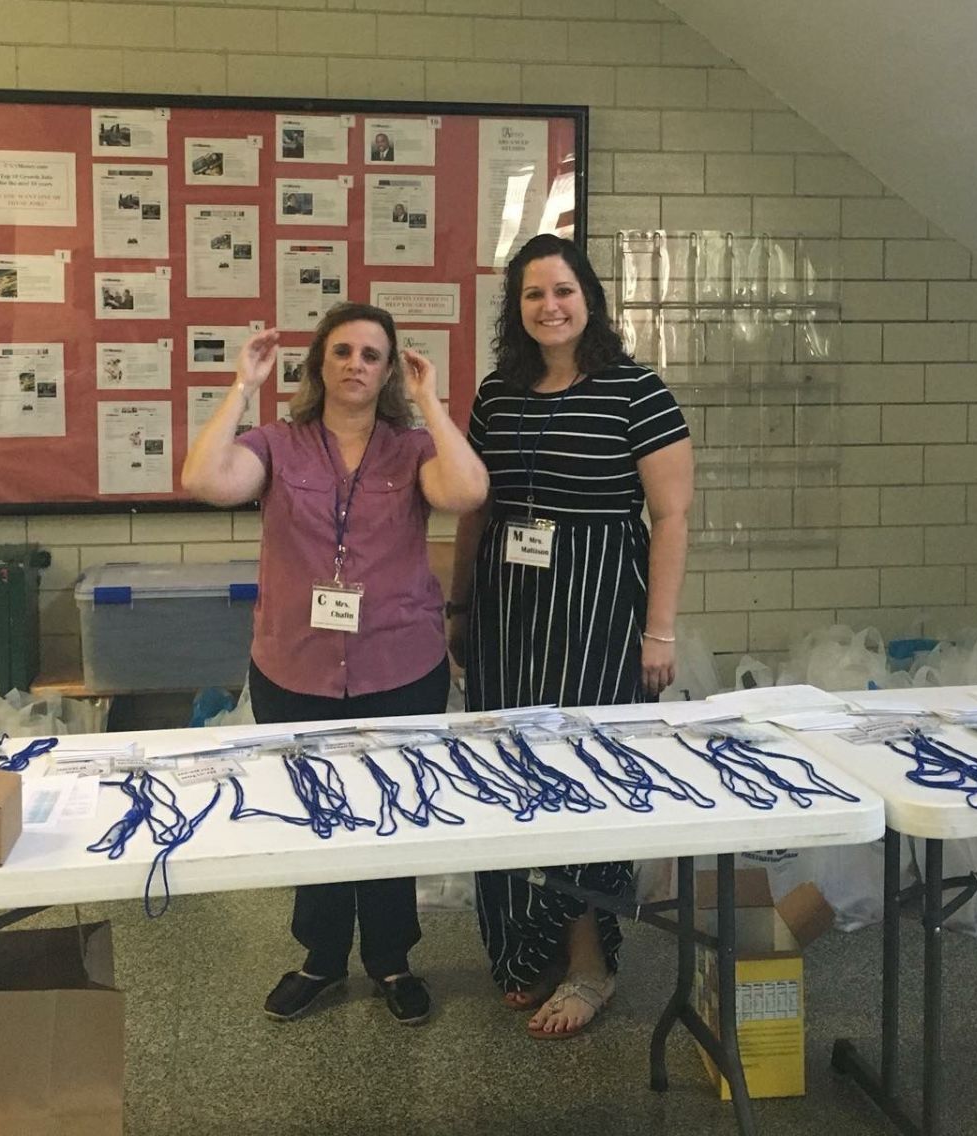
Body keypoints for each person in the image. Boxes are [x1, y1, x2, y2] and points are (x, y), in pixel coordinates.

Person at [182, 303, 488, 1027]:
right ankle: (320, 957)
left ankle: (391, 959)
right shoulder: (276, 444)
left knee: (389, 812)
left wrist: (432, 404)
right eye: (343, 350)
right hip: (296, 665)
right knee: (313, 814)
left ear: (389, 372)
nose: (356, 364)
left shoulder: (412, 449)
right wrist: (240, 387)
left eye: (372, 355)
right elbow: (205, 479)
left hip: (401, 662)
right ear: (320, 362)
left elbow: (469, 491)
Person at [449, 233, 694, 1038]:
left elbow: (671, 518)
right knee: (510, 775)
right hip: (508, 610)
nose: (549, 307)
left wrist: (659, 632)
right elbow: (475, 510)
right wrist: (457, 607)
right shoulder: (497, 394)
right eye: (532, 295)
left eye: (563, 291)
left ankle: (591, 962)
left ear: (588, 298)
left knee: (579, 781)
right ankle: (528, 942)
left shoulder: (637, 392)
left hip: (597, 614)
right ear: (515, 311)